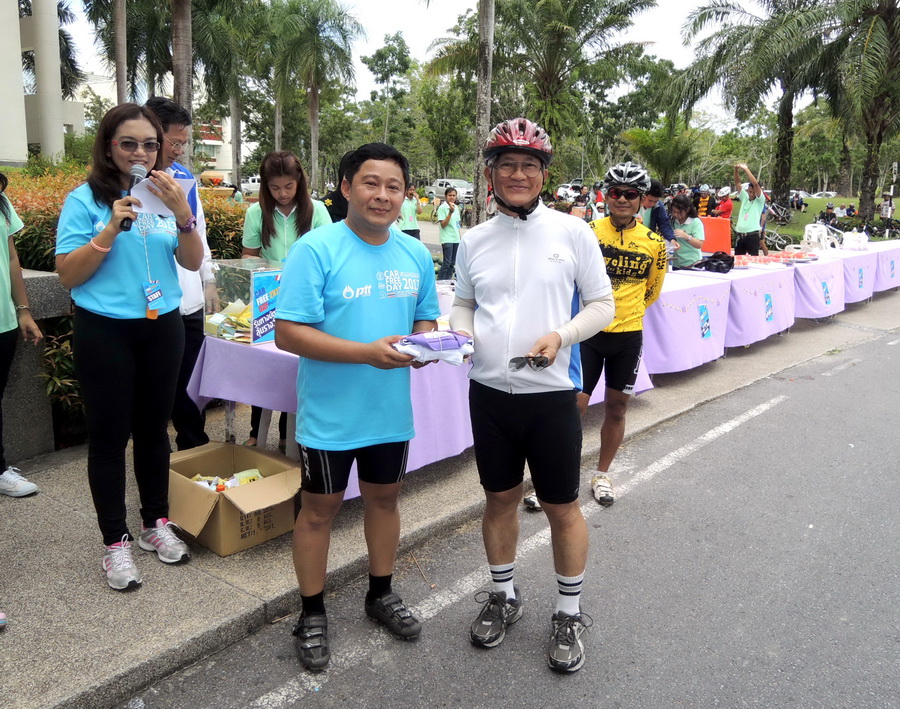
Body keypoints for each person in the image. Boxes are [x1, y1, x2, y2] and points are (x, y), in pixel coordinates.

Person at [450, 118, 615, 673]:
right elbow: (464, 303)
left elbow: (603, 305)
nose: (517, 175)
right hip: (489, 394)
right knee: (498, 500)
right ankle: (504, 596)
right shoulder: (474, 239)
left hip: (551, 397)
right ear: (490, 174)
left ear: (544, 175)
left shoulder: (573, 232)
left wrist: (562, 336)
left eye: (529, 166)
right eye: (507, 165)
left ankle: (568, 613)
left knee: (562, 506)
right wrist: (462, 335)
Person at [274, 143, 440, 672]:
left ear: (405, 195)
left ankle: (380, 593)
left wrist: (423, 345)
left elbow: (425, 316)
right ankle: (311, 612)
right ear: (346, 188)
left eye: (394, 186)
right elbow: (287, 333)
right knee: (318, 511)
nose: (382, 195)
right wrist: (366, 353)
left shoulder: (414, 253)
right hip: (330, 414)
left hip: (388, 412)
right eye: (371, 183)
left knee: (384, 501)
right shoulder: (316, 249)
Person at [55, 103, 203, 590]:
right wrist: (108, 229)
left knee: (155, 431)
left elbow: (192, 260)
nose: (141, 153)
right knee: (109, 437)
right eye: (129, 143)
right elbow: (68, 274)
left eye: (150, 144)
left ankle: (154, 523)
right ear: (108, 146)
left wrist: (183, 216)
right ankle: (114, 542)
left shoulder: (167, 194)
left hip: (162, 326)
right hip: (105, 330)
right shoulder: (84, 200)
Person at [575, 162, 665, 511]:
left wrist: (626, 311)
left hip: (628, 336)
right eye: (616, 193)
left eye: (630, 194)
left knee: (617, 408)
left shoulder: (654, 243)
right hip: (587, 333)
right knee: (573, 408)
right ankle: (558, 476)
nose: (622, 199)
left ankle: (602, 474)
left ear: (642, 199)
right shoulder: (587, 233)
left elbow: (652, 290)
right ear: (606, 196)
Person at [242, 150, 332, 449]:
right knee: (265, 367)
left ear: (300, 183)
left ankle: (286, 434)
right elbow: (248, 255)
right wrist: (260, 269)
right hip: (267, 299)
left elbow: (328, 256)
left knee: (297, 365)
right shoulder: (256, 213)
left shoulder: (317, 211)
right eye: (275, 188)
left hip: (307, 299)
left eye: (288, 187)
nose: (282, 194)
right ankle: (256, 430)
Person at [145, 96, 217, 452]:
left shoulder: (184, 178)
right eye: (174, 142)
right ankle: (154, 455)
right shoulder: (128, 182)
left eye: (183, 144)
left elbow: (197, 229)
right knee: (156, 385)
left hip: (188, 299)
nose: (178, 151)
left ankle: (193, 446)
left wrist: (209, 279)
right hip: (152, 302)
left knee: (191, 379)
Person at [0, 172, 44, 629]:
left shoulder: (0, 199)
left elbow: (10, 255)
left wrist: (23, 309)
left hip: (2, 323)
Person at [732, 164, 766, 255]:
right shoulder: (744, 197)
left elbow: (756, 184)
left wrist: (746, 169)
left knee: (753, 259)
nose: (751, 194)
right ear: (747, 191)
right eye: (750, 192)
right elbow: (737, 183)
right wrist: (736, 170)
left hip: (752, 235)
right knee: (738, 259)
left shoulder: (759, 200)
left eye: (754, 192)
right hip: (740, 234)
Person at [670, 195, 706, 269]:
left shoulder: (695, 222)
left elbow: (699, 244)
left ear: (687, 210)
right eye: (674, 211)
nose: (675, 214)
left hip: (692, 264)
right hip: (677, 263)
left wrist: (686, 236)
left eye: (679, 212)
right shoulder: (673, 221)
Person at [436, 187, 462, 281]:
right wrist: (450, 213)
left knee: (452, 263)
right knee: (447, 262)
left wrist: (459, 236)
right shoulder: (442, 208)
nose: (452, 197)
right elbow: (443, 225)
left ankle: (447, 281)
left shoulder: (456, 207)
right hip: (447, 238)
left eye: (454, 195)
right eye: (450, 195)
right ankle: (440, 281)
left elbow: (458, 223)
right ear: (446, 196)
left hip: (456, 238)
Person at [640, 179, 677, 244]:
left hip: (647, 240)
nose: (652, 204)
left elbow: (664, 223)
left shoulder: (658, 206)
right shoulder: (633, 204)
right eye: (650, 201)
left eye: (655, 201)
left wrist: (671, 239)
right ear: (643, 196)